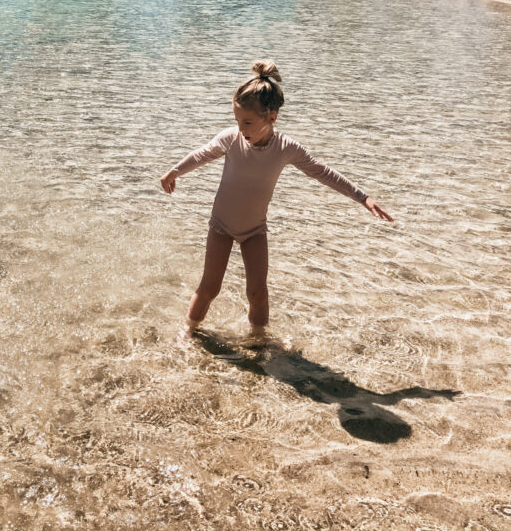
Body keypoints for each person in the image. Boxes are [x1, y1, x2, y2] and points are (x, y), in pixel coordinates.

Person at [160, 60, 391, 333]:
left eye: (247, 121)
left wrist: (362, 197)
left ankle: (258, 339)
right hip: (221, 226)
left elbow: (322, 172)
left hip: (255, 230)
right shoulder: (230, 139)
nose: (240, 127)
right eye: (236, 120)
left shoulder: (286, 148)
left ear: (272, 117)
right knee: (210, 287)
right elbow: (202, 154)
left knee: (258, 293)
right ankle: (189, 331)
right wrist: (174, 172)